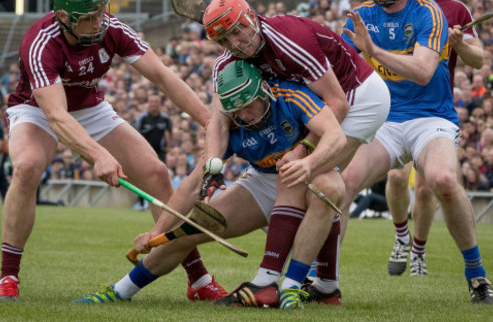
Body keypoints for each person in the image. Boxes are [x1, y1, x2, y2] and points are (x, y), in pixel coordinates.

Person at [0, 0, 222, 302]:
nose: (100, 22)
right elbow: (56, 116)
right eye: (89, 18)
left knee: (155, 173)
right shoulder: (40, 42)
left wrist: (207, 121)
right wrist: (98, 154)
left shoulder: (112, 28)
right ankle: (8, 276)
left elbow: (161, 74)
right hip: (38, 109)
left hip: (90, 108)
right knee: (27, 166)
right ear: (63, 18)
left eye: (102, 12)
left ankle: (198, 280)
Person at [75, 61, 346, 309]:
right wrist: (156, 230)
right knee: (186, 233)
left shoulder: (290, 96)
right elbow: (193, 183)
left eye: (248, 105)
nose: (244, 115)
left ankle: (297, 286)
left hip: (312, 170)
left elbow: (335, 136)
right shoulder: (230, 125)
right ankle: (120, 291)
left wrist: (307, 163)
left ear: (264, 92)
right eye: (235, 109)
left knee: (330, 190)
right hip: (262, 181)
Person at [340, 0, 493, 304]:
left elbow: (468, 61)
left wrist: (456, 43)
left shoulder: (442, 10)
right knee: (347, 181)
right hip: (383, 117)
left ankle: (475, 275)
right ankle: (323, 278)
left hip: (431, 114)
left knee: (438, 183)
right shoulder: (361, 16)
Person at [204, 0, 390, 241]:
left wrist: (302, 149)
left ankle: (315, 274)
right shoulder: (229, 61)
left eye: (237, 31)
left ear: (250, 17)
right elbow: (217, 122)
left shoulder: (289, 40)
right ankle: (305, 265)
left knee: (317, 184)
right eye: (225, 40)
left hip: (359, 96)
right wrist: (212, 166)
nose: (235, 44)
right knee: (295, 184)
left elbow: (338, 103)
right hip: (331, 101)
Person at [381, 0, 486, 278]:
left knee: (427, 187)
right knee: (396, 176)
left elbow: (478, 60)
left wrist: (458, 44)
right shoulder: (392, 5)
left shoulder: (455, 9)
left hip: (433, 109)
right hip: (393, 107)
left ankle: (418, 252)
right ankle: (401, 237)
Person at [131, 93, 172, 163]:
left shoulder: (165, 118)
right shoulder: (142, 118)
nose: (154, 104)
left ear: (160, 104)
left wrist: (169, 147)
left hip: (160, 151)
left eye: (156, 102)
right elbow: (134, 133)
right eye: (152, 102)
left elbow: (169, 132)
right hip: (145, 151)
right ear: (148, 103)